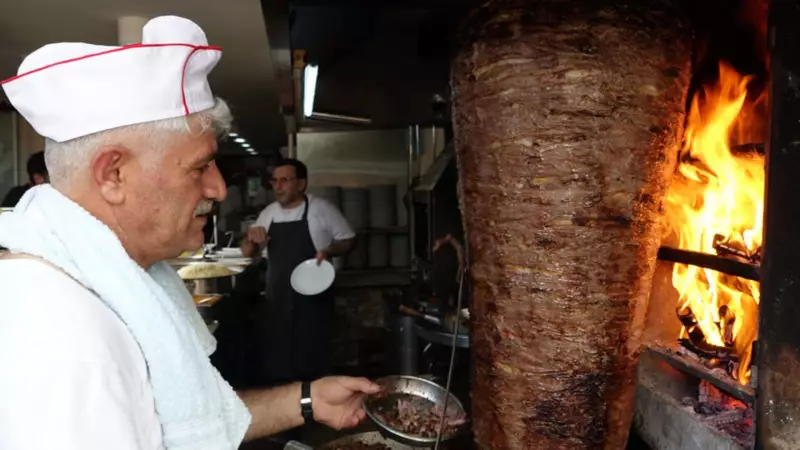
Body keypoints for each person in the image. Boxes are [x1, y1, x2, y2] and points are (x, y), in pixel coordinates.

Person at [0, 16, 377, 450]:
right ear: (114, 174)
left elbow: (181, 421)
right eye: (200, 167)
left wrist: (307, 400)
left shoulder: (107, 281)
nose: (218, 188)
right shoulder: (59, 335)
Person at [241, 159, 356, 384]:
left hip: (314, 298)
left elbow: (350, 240)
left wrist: (329, 250)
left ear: (301, 184)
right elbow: (248, 253)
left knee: (314, 357)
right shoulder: (268, 214)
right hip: (278, 299)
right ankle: (287, 408)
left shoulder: (321, 209)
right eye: (275, 181)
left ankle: (319, 408)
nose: (278, 186)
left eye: (285, 180)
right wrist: (250, 240)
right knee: (279, 359)